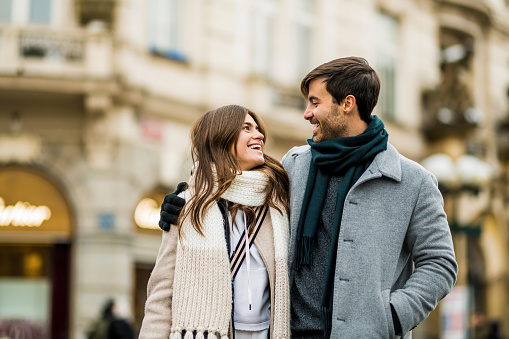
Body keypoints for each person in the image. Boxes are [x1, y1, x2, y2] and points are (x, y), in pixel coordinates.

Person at [159, 57, 458, 338]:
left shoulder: (414, 181)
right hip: (287, 332)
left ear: (347, 104)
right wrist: (184, 198)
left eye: (315, 102)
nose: (307, 113)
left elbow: (440, 263)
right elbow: (235, 183)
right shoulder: (294, 164)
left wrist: (393, 316)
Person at [139, 105, 291, 339]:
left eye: (259, 129)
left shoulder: (279, 200)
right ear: (221, 137)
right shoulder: (188, 206)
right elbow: (161, 296)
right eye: (247, 128)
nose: (259, 135)